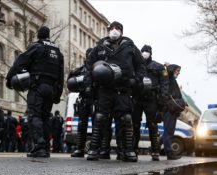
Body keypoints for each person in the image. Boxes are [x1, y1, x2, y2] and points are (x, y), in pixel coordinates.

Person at [85, 21, 146, 162]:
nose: (114, 30)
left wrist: (136, 80)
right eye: (112, 28)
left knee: (125, 119)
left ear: (121, 31)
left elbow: (141, 65)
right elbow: (89, 66)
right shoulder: (100, 47)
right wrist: (88, 84)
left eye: (117, 28)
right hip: (105, 89)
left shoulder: (130, 47)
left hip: (123, 89)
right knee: (100, 118)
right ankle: (94, 149)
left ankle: (128, 150)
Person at [6, 26, 64, 158]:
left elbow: (19, 62)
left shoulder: (37, 47)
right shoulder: (57, 52)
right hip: (51, 88)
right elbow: (61, 75)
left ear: (39, 35)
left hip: (38, 86)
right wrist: (58, 94)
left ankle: (39, 146)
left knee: (34, 115)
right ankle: (46, 149)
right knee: (45, 117)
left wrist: (10, 78)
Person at [132, 45, 169, 161]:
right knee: (135, 125)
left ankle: (155, 151)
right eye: (143, 51)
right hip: (137, 98)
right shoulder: (136, 65)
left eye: (147, 51)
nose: (144, 53)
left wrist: (162, 100)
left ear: (151, 53)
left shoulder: (159, 67)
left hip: (151, 99)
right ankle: (133, 150)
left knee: (153, 125)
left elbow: (164, 84)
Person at [67, 48, 94, 158]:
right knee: (82, 124)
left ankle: (97, 149)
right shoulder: (80, 70)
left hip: (96, 99)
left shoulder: (99, 68)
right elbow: (71, 81)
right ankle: (80, 149)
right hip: (83, 99)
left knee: (99, 124)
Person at [160, 64, 187, 160]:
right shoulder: (169, 78)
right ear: (172, 70)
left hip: (173, 110)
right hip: (170, 110)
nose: (179, 73)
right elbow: (166, 72)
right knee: (169, 132)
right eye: (177, 71)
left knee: (167, 132)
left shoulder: (173, 81)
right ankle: (169, 153)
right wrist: (169, 67)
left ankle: (154, 148)